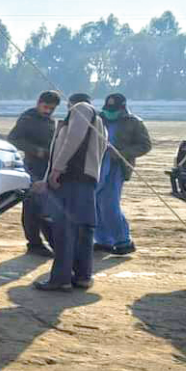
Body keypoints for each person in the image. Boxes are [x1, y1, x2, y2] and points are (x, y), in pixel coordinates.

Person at [33, 93, 107, 291]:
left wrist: (57, 169)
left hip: (72, 179)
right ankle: (83, 276)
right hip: (86, 181)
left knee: (65, 229)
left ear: (70, 104)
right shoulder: (98, 121)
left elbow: (72, 141)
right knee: (83, 230)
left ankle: (61, 279)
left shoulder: (81, 109)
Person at [94, 92, 152, 255]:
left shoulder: (134, 122)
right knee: (95, 202)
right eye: (108, 109)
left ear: (123, 108)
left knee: (109, 204)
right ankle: (103, 241)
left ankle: (123, 241)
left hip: (117, 166)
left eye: (114, 109)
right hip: (96, 164)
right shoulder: (98, 118)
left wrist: (122, 153)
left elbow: (145, 145)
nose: (110, 112)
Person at [7, 90, 60, 257]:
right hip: (32, 166)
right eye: (45, 107)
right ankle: (34, 243)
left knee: (45, 205)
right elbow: (13, 138)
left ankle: (50, 241)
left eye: (51, 109)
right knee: (31, 206)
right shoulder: (27, 118)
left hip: (47, 167)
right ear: (38, 102)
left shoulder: (50, 121)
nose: (47, 111)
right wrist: (36, 150)